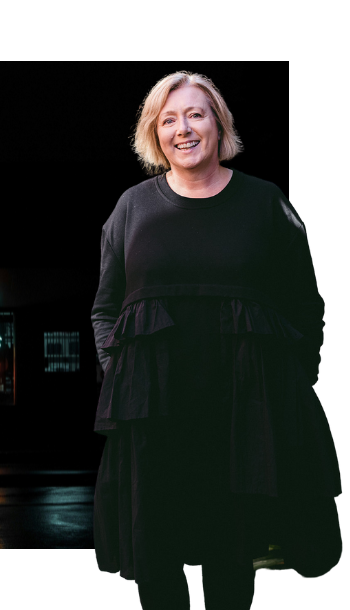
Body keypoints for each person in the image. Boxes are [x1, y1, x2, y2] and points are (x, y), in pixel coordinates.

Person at [90, 71, 342, 609]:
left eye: (196, 114)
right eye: (169, 119)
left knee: (231, 556)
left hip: (241, 415)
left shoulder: (265, 203)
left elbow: (305, 304)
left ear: (219, 124)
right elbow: (105, 308)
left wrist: (292, 386)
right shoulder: (131, 209)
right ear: (154, 134)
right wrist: (119, 376)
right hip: (154, 418)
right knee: (155, 557)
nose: (184, 128)